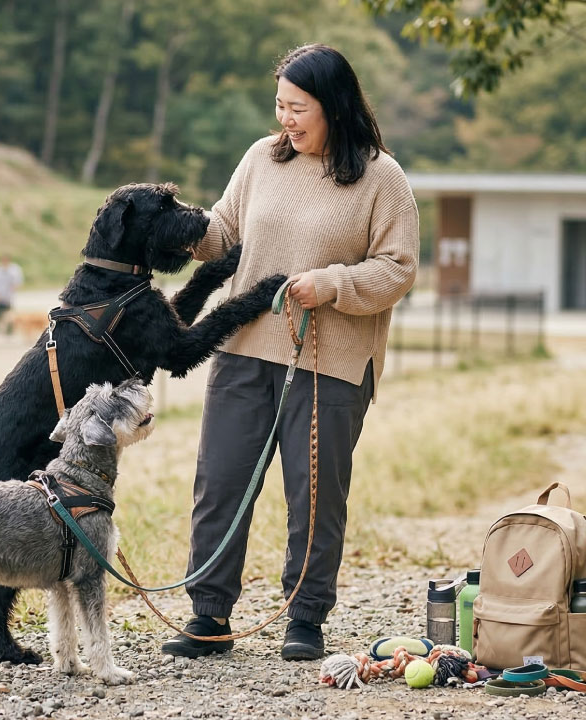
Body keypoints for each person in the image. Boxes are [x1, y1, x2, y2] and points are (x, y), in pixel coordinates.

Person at [160, 44, 418, 661]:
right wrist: (170, 226)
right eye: (280, 105)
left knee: (314, 495)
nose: (286, 119)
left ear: (334, 107)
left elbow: (399, 269)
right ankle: (209, 616)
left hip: (329, 361)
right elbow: (223, 231)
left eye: (298, 108)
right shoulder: (261, 159)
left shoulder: (382, 177)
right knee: (220, 483)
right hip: (245, 347)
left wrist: (333, 283)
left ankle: (304, 618)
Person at [0, 254, 24, 334]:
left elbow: (18, 282)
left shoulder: (14, 269)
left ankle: (10, 330)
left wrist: (13, 288)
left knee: (9, 313)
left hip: (9, 295)